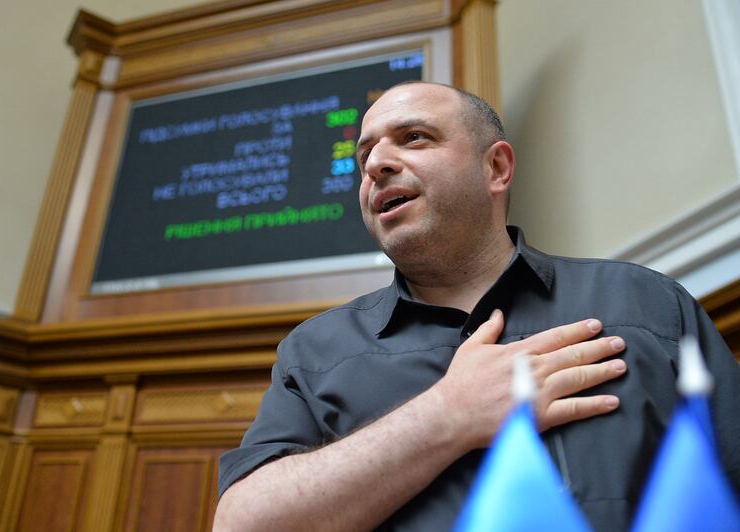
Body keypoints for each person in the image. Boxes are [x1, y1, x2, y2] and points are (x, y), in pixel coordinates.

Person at [213, 82, 740, 531]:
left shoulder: (647, 304)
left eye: (413, 137)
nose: (375, 165)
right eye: (364, 156)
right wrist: (447, 415)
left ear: (496, 168)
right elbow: (241, 522)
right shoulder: (313, 352)